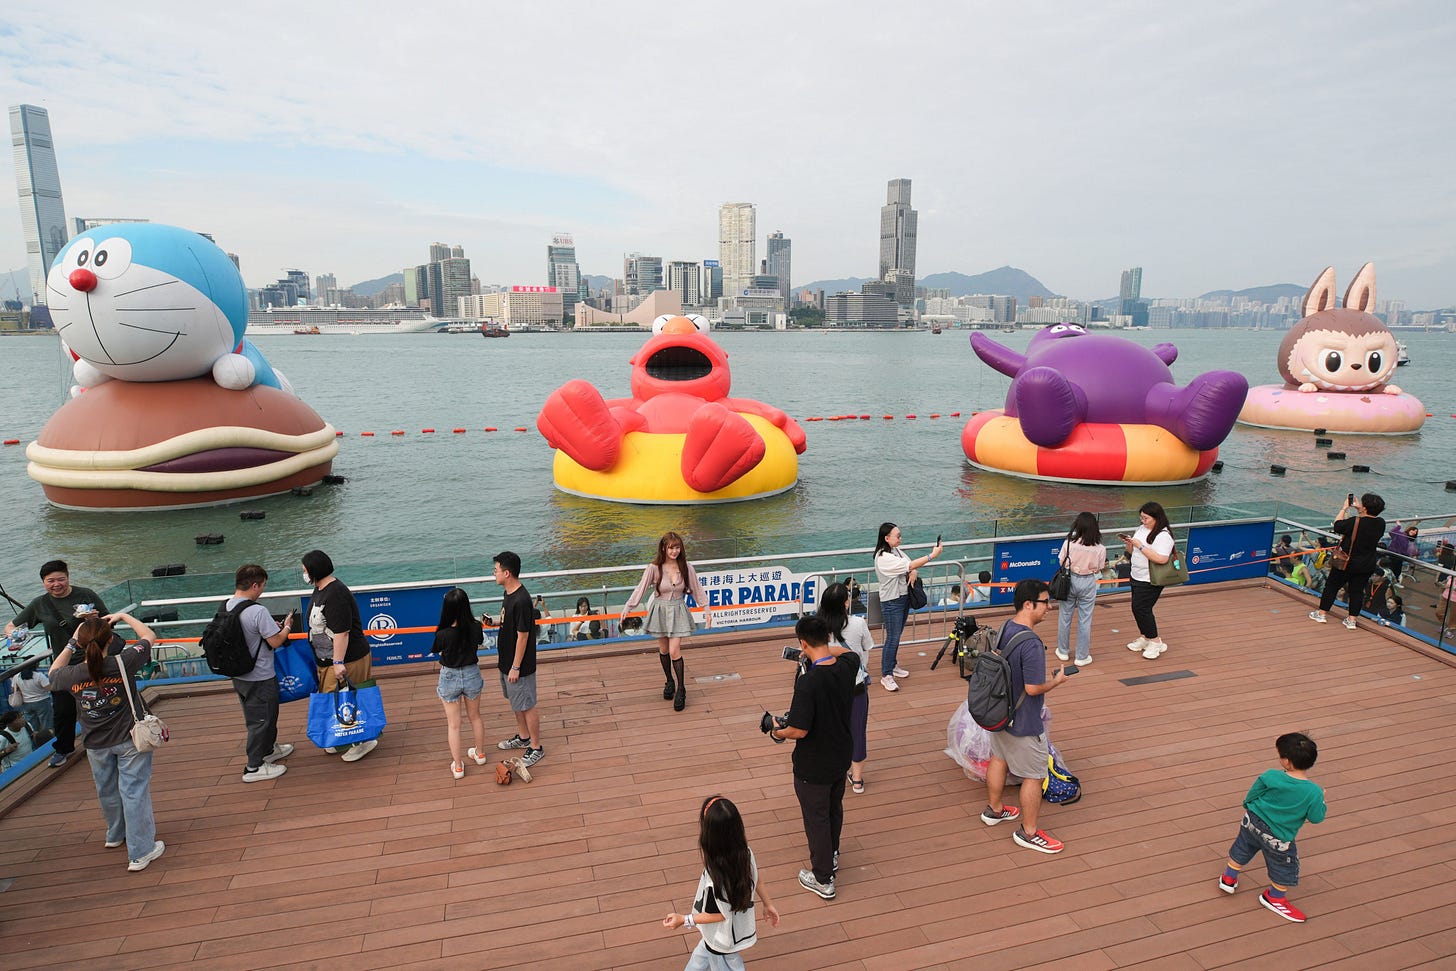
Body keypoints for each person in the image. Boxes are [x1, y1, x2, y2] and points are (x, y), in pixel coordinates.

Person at [48, 611, 165, 871]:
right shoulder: (124, 662)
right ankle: (141, 851)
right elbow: (149, 636)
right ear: (110, 640)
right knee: (134, 792)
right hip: (129, 740)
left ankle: (115, 834)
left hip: (95, 742)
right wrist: (123, 616)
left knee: (107, 791)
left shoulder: (73, 674)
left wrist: (72, 641)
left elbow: (53, 672)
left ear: (81, 643)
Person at [766, 615, 858, 900]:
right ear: (829, 638)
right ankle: (830, 856)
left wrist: (775, 730)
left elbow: (799, 730)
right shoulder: (847, 667)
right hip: (841, 754)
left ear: (802, 643)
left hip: (813, 764)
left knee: (816, 818)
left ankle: (823, 879)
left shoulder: (808, 684)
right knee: (834, 808)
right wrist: (820, 651)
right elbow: (851, 652)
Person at [979, 579, 1070, 855]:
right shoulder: (1031, 644)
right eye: (1045, 602)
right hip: (1024, 720)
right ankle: (1028, 832)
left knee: (999, 757)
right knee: (1034, 774)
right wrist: (1056, 682)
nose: (1050, 607)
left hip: (999, 712)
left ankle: (995, 810)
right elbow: (1032, 688)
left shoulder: (1006, 626)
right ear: (1029, 604)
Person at [6, 560, 109, 767]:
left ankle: (106, 742)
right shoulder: (40, 604)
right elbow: (10, 626)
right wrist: (15, 636)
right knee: (63, 711)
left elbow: (109, 620)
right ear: (43, 582)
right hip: (63, 665)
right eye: (50, 581)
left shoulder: (86, 594)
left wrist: (95, 619)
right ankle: (64, 748)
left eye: (60, 579)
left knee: (101, 703)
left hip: (94, 661)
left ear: (68, 577)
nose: (56, 584)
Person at [662, 795, 781, 970]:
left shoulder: (715, 877)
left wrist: (684, 919)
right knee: (701, 960)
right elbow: (757, 879)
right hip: (724, 934)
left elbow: (719, 914)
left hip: (720, 939)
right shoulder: (746, 854)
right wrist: (768, 904)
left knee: (725, 965)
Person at [1219, 732, 1327, 922]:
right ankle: (1274, 898)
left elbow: (1253, 794)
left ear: (1286, 761)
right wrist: (1322, 800)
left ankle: (1228, 878)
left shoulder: (1270, 775)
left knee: (1243, 847)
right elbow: (1316, 818)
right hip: (1278, 835)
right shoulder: (1314, 792)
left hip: (1252, 820)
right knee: (1283, 866)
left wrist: (1248, 807)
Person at [622, 531, 712, 712]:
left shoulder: (687, 567)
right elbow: (640, 588)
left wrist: (706, 609)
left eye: (677, 547)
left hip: (678, 610)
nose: (674, 551)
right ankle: (669, 681)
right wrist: (628, 607)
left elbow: (697, 589)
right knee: (663, 649)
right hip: (660, 610)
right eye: (671, 547)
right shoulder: (654, 568)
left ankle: (681, 689)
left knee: (674, 650)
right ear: (664, 548)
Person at [302, 550, 378, 763]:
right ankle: (344, 735)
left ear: (315, 570)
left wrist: (337, 662)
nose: (304, 574)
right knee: (332, 698)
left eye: (305, 571)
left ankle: (362, 741)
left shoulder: (336, 593)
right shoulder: (320, 589)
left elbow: (342, 632)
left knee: (351, 697)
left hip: (348, 658)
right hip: (326, 659)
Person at [226, 564, 296, 783]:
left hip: (239, 674)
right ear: (255, 585)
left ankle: (268, 749)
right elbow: (275, 641)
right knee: (261, 721)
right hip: (260, 675)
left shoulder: (227, 605)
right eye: (263, 585)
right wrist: (286, 627)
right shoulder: (257, 611)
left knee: (259, 716)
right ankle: (253, 767)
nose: (263, 590)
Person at [871, 523, 942, 692]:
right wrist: (932, 555)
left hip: (902, 598)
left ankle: (893, 665)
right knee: (892, 638)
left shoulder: (896, 551)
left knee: (897, 635)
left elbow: (911, 565)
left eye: (900, 535)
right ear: (886, 538)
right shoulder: (883, 557)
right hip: (892, 601)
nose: (900, 538)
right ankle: (886, 674)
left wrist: (914, 572)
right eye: (897, 536)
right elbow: (909, 565)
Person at [819, 582, 873, 794]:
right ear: (846, 603)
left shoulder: (817, 627)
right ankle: (857, 778)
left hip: (827, 686)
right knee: (857, 731)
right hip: (855, 685)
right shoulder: (858, 623)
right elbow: (868, 648)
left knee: (829, 729)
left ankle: (831, 771)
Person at [493, 551, 544, 769]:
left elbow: (523, 636)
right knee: (516, 702)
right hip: (506, 660)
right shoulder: (509, 594)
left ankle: (536, 746)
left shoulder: (522, 600)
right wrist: (496, 622)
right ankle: (523, 737)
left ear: (507, 573)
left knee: (527, 704)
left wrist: (515, 666)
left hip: (519, 665)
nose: (493, 574)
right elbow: (512, 624)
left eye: (496, 570)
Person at [431, 587, 487, 780]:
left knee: (454, 725)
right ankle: (479, 754)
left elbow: (437, 650)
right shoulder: (475, 626)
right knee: (475, 717)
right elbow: (479, 641)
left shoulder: (443, 633)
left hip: (449, 677)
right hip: (472, 673)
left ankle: (458, 766)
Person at [1309, 493, 1386, 630]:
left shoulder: (1354, 521)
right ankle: (1352, 620)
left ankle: (1321, 613)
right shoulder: (1381, 523)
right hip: (1367, 564)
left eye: (1362, 504)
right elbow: (1366, 522)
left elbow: (1337, 526)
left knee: (1332, 587)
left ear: (1365, 507)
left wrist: (1344, 508)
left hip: (1347, 562)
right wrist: (1359, 510)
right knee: (1357, 591)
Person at [1123, 501, 1176, 660]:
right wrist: (1129, 544)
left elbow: (1161, 559)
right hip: (1136, 574)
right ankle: (1145, 637)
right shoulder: (1141, 529)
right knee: (1137, 608)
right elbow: (1132, 552)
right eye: (1141, 518)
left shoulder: (1163, 536)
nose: (1143, 521)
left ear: (1156, 518)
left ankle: (1155, 641)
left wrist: (1140, 546)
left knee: (1142, 608)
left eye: (1146, 518)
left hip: (1150, 578)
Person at [1055, 512, 1106, 667]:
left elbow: (1061, 561)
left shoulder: (1069, 543)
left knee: (1065, 616)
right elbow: (1099, 569)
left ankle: (1063, 651)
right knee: (1085, 620)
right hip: (1088, 582)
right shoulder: (1100, 548)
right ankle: (1081, 656)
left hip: (1069, 580)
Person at [9, 664, 54, 735]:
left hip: (26, 703)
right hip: (42, 702)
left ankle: (35, 740)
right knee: (47, 724)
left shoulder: (17, 676)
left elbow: (13, 689)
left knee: (32, 726)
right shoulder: (39, 675)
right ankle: (48, 739)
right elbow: (49, 688)